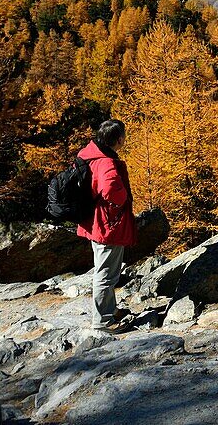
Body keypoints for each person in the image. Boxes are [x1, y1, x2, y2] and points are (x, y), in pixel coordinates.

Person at [76, 119, 137, 332]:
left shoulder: (89, 154)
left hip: (95, 221)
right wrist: (123, 198)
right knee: (106, 273)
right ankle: (103, 321)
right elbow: (110, 189)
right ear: (119, 139)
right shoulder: (106, 162)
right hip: (107, 224)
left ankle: (109, 309)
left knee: (105, 268)